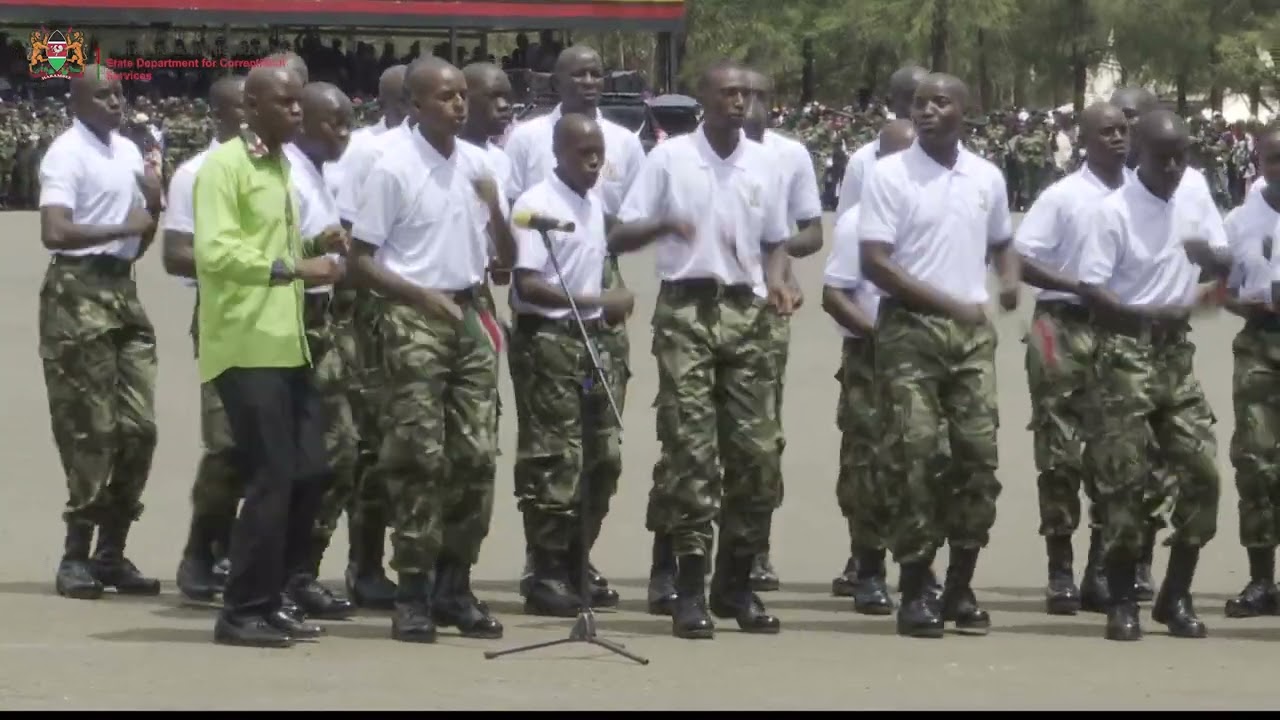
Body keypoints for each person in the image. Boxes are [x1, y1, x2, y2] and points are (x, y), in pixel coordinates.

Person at [610, 60, 792, 640]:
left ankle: (735, 584)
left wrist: (781, 279)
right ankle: (689, 589)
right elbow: (620, 232)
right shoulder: (669, 158)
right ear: (705, 100)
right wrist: (666, 222)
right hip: (688, 309)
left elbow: (778, 242)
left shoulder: (766, 163)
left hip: (748, 312)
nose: (739, 101)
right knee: (691, 454)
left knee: (758, 458)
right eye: (728, 91)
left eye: (746, 92)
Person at [348, 56, 514, 644]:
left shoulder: (479, 164)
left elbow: (506, 260)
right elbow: (360, 260)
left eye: (463, 94)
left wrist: (495, 208)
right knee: (419, 456)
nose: (460, 105)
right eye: (445, 96)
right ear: (415, 106)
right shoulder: (392, 167)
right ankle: (412, 590)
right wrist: (421, 297)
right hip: (412, 316)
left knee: (475, 455)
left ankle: (455, 584)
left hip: (470, 312)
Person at [858, 73, 1019, 639]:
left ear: (965, 111)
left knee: (977, 457)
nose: (926, 111)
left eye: (940, 102)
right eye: (919, 103)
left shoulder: (987, 176)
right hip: (911, 332)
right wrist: (952, 304)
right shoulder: (889, 175)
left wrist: (1008, 280)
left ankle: (961, 585)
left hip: (972, 336)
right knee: (915, 455)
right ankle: (917, 585)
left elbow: (1002, 240)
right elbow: (876, 263)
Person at [193, 64, 346, 648]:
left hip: (288, 341)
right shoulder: (225, 167)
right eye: (285, 104)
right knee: (271, 475)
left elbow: (274, 246)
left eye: (299, 104)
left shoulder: (280, 164)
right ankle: (241, 610)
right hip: (244, 341)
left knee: (312, 469)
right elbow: (217, 252)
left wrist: (314, 245)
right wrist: (294, 268)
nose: (297, 113)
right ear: (250, 106)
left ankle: (273, 592)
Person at [1076, 109, 1231, 642]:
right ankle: (1122, 598)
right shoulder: (1112, 211)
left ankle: (1176, 593)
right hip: (1124, 353)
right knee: (1124, 480)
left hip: (1175, 355)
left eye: (1181, 155)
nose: (1173, 165)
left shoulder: (1193, 193)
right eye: (1162, 156)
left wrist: (1213, 264)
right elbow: (1092, 290)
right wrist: (1147, 313)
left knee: (1203, 476)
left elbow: (1217, 259)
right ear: (1136, 151)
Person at [505, 44, 644, 606]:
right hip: (552, 344)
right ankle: (545, 571)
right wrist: (596, 298)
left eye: (599, 155)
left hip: (596, 344)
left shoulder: (592, 205)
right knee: (554, 460)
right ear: (559, 153)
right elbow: (526, 286)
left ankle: (576, 559)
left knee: (602, 457)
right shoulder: (539, 205)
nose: (595, 164)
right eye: (585, 155)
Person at [38, 64, 163, 602]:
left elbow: (142, 235)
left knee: (139, 431)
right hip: (76, 290)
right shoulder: (66, 152)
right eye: (103, 95)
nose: (116, 102)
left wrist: (154, 201)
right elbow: (54, 230)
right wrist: (124, 227)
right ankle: (76, 554)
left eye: (119, 93)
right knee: (91, 429)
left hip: (120, 287)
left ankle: (112, 550)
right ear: (77, 103)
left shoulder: (129, 152)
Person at [1014, 101, 1130, 616]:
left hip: (1118, 332)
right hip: (1060, 326)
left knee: (1115, 455)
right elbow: (1021, 258)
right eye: (1106, 132)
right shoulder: (1061, 196)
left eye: (1123, 130)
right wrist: (1077, 285)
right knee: (1058, 454)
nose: (1118, 139)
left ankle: (1100, 570)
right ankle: (1060, 569)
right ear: (1084, 140)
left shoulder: (1142, 196)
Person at [823, 118, 915, 617]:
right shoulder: (857, 221)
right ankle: (868, 567)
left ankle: (917, 566)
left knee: (923, 459)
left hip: (928, 356)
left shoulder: (936, 209)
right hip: (871, 356)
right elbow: (834, 296)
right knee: (868, 465)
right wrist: (883, 336)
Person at [739, 68, 824, 593]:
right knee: (694, 436)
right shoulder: (685, 154)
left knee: (761, 435)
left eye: (761, 96)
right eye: (740, 94)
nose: (750, 105)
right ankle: (676, 560)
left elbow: (813, 229)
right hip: (703, 308)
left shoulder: (789, 156)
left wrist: (778, 248)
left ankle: (755, 549)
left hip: (767, 306)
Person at [163, 75, 247, 602]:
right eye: (246, 107)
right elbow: (175, 254)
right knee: (227, 443)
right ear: (219, 115)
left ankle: (239, 552)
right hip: (224, 313)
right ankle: (201, 548)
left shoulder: (279, 168)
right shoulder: (196, 173)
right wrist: (248, 267)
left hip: (281, 315)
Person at [333, 63, 410, 611]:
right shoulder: (368, 151)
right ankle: (365, 563)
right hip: (372, 309)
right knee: (372, 443)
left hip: (426, 313)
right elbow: (345, 238)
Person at [282, 81, 359, 621]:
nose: (345, 134)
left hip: (321, 319)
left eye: (350, 123)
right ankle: (271, 577)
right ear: (302, 119)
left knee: (338, 453)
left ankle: (299, 571)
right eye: (335, 123)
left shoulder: (319, 173)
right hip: (288, 319)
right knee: (289, 462)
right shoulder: (283, 173)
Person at [1221, 124, 1280, 619]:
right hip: (1261, 350)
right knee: (1256, 465)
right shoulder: (1240, 220)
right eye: (1274, 158)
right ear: (1259, 162)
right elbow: (1222, 290)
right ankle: (1263, 580)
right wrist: (1251, 308)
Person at [835, 64, 928, 218]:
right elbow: (846, 224)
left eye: (929, 100)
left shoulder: (953, 159)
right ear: (891, 103)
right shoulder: (863, 161)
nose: (924, 109)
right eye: (911, 99)